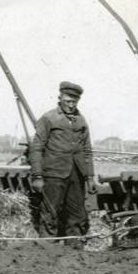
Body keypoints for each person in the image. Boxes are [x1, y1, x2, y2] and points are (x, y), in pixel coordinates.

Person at [29, 82, 97, 242]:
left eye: (75, 102)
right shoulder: (48, 118)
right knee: (50, 212)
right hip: (54, 173)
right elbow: (37, 148)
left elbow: (87, 150)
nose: (71, 105)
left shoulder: (81, 120)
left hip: (77, 174)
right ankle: (47, 249)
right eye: (68, 101)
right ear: (60, 98)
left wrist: (89, 177)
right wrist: (37, 176)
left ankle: (74, 251)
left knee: (77, 214)